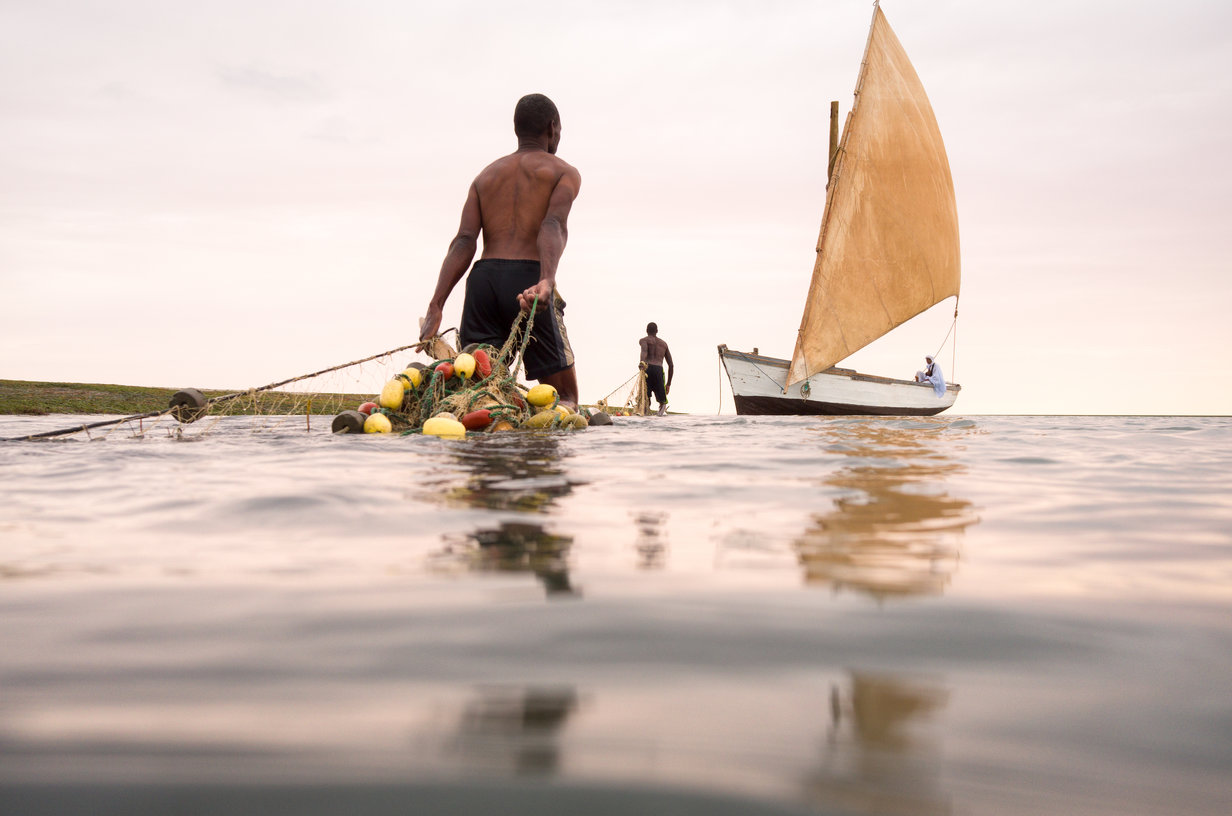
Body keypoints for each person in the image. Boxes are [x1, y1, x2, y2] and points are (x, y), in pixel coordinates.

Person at [418, 93, 582, 407]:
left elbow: (464, 241)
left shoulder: (485, 176)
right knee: (565, 398)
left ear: (516, 129)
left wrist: (436, 304)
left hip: (483, 282)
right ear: (552, 127)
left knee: (481, 395)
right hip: (528, 283)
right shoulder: (563, 172)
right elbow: (553, 224)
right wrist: (546, 279)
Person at [639, 322, 674, 416]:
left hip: (647, 369)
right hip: (659, 370)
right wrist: (668, 384)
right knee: (662, 401)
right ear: (657, 331)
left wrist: (642, 363)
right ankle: (661, 414)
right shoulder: (664, 344)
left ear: (646, 331)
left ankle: (646, 415)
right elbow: (671, 365)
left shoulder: (643, 340)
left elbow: (644, 352)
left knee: (646, 397)